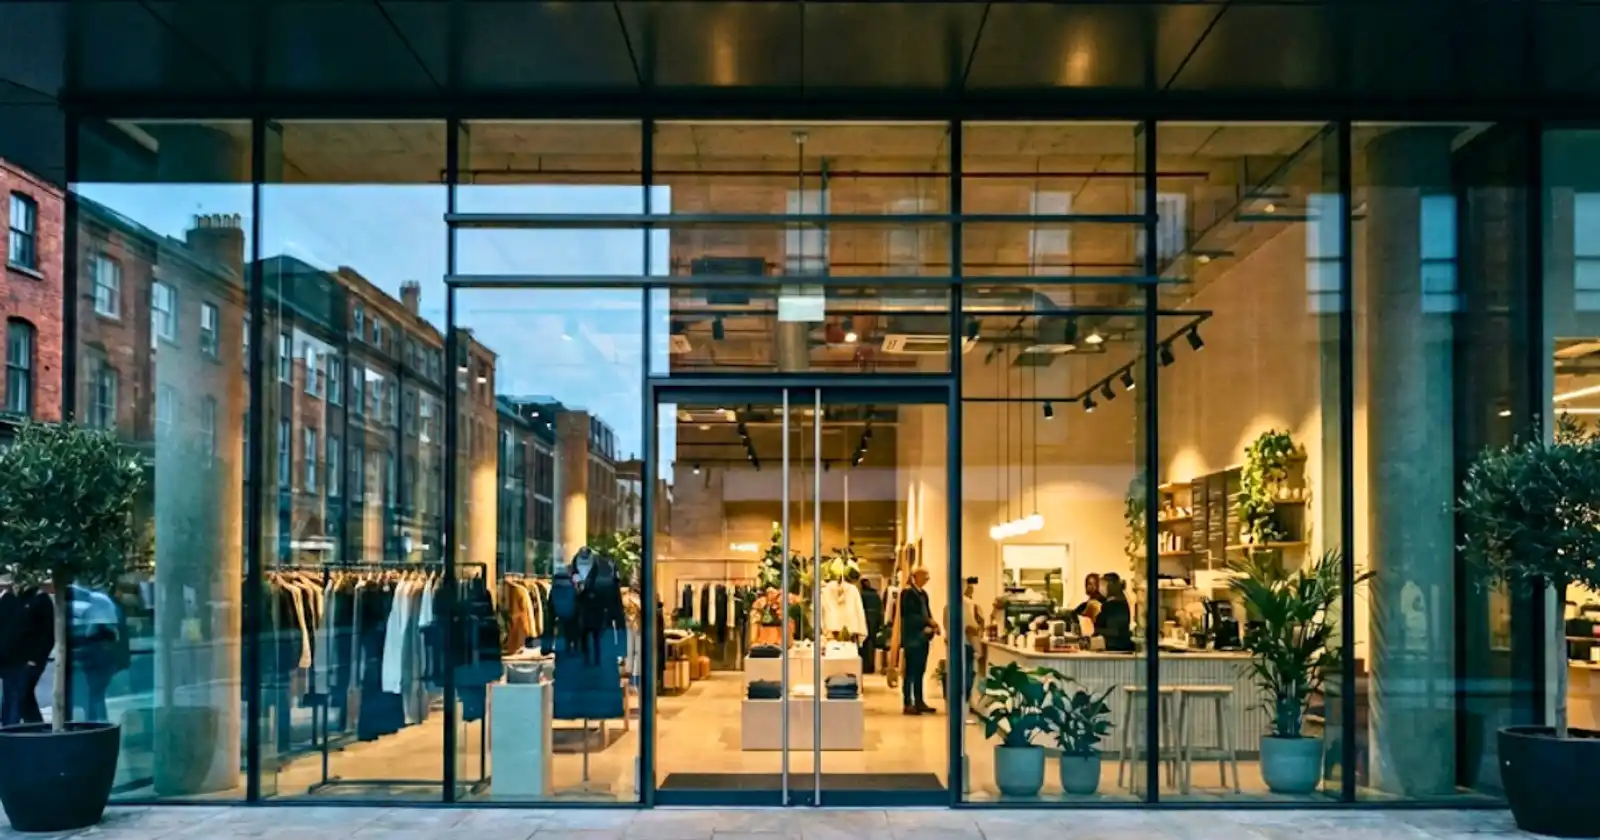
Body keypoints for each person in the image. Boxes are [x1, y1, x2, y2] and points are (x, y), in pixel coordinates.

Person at [899, 567, 939, 715]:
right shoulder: (908, 593)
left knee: (920, 671)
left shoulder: (923, 594)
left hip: (923, 638)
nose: (927, 579)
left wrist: (933, 625)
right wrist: (926, 622)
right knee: (910, 672)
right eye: (924, 576)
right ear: (916, 576)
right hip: (912, 638)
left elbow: (927, 612)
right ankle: (908, 703)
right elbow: (909, 616)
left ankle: (919, 701)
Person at [961, 576, 985, 718]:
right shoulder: (969, 604)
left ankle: (964, 704)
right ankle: (966, 704)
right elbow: (973, 626)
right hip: (967, 643)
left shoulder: (952, 603)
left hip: (960, 644)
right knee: (968, 674)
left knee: (965, 674)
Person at [1096, 573, 1135, 652]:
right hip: (1124, 645)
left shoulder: (1111, 605)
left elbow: (1110, 629)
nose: (1100, 588)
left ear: (1110, 586)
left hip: (1113, 646)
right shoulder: (1123, 601)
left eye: (1103, 585)